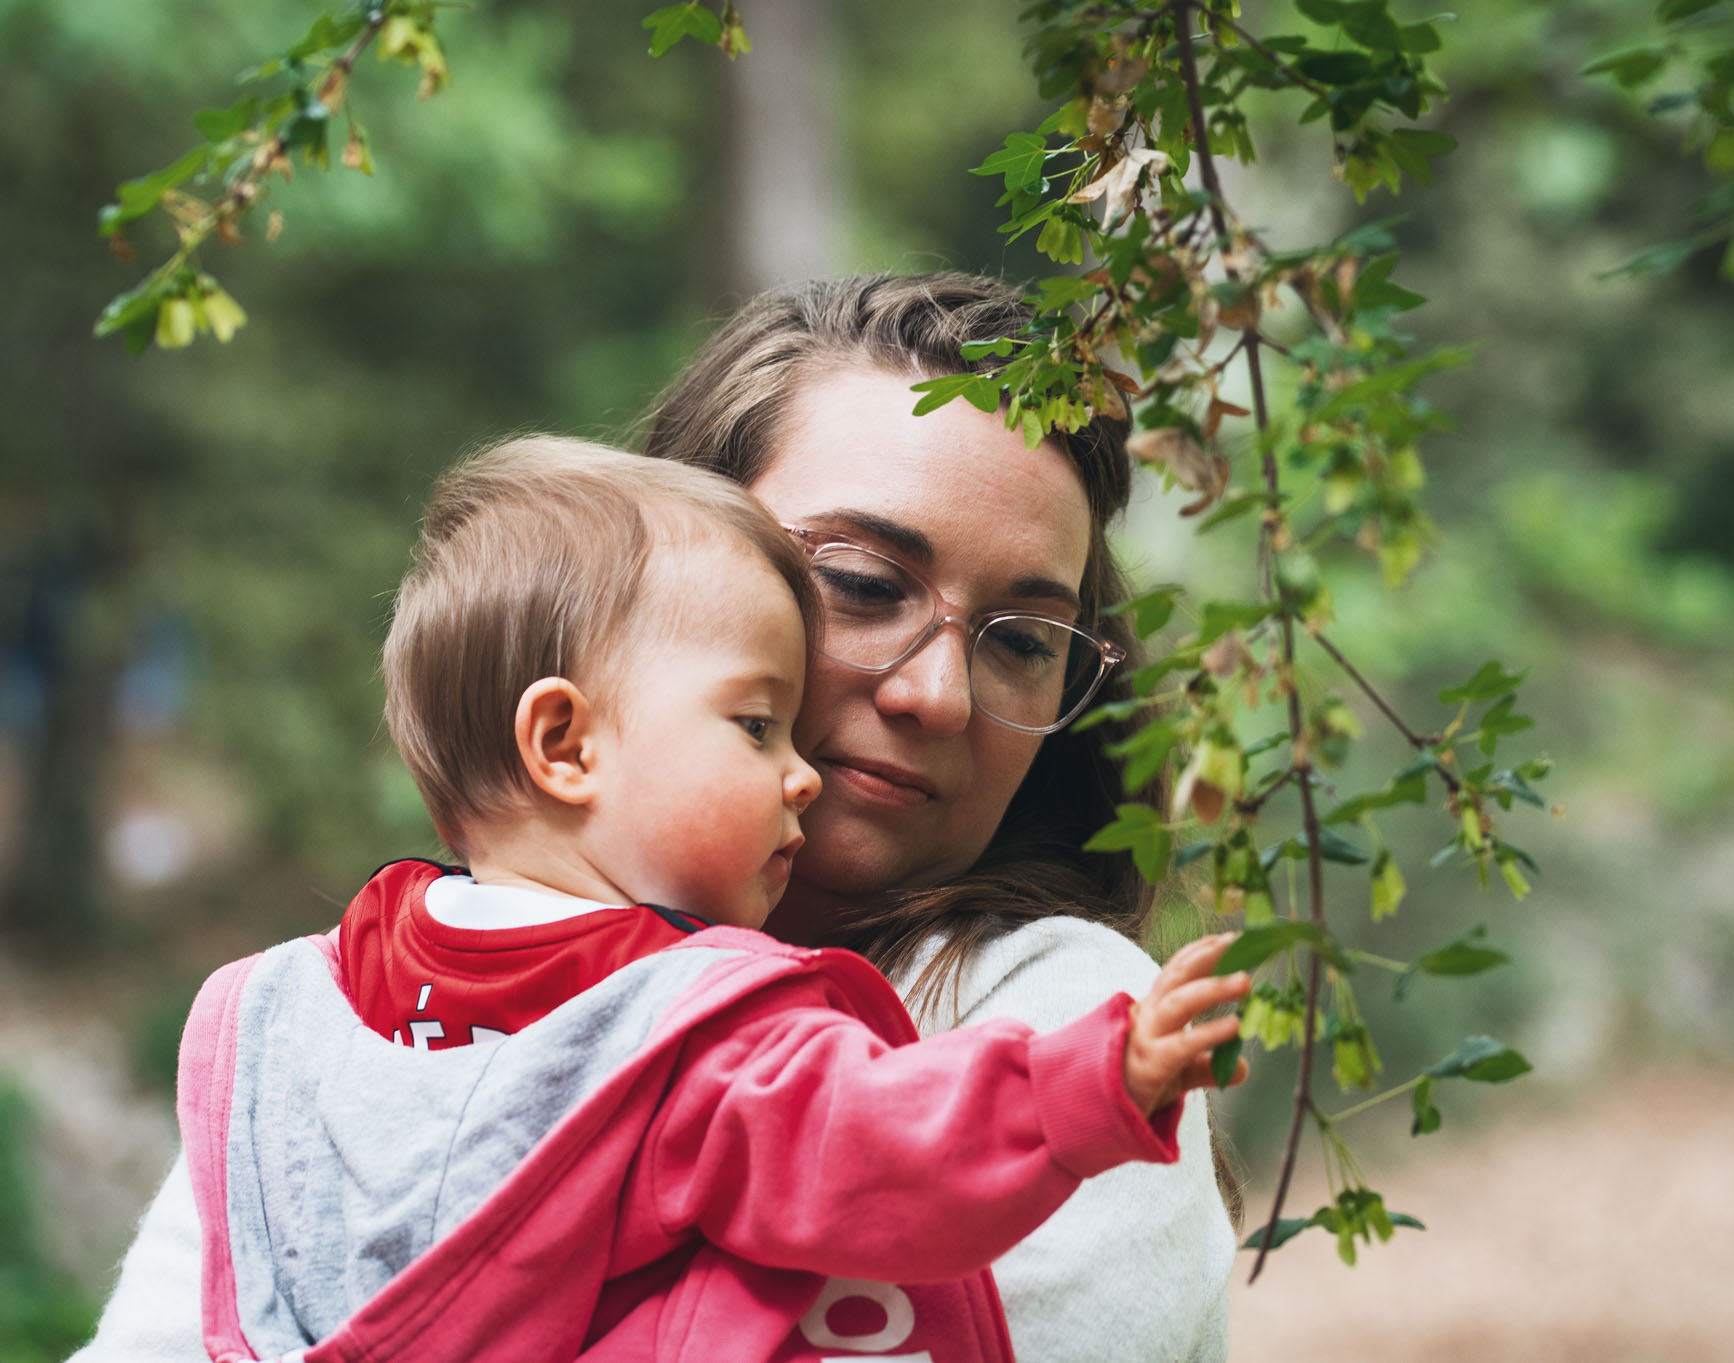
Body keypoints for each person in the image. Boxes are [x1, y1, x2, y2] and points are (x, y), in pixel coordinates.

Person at [73, 274, 1241, 1363]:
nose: (934, 694)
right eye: (863, 585)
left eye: (1024, 641)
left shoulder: (1072, 1022)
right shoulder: (367, 1007)